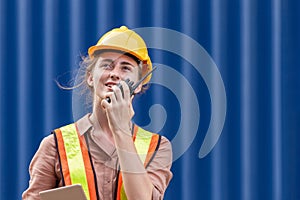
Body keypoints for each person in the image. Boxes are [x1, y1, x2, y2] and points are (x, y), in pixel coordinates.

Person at [22, 26, 173, 200]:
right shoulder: (55, 145)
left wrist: (121, 129)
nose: (115, 74)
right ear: (90, 77)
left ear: (138, 84)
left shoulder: (157, 147)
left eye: (125, 68)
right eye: (107, 65)